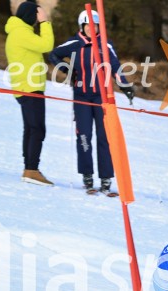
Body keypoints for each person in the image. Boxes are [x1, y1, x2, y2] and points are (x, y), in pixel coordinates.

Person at [49, 10, 134, 196]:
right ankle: (87, 177)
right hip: (82, 97)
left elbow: (116, 66)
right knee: (84, 137)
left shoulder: (106, 44)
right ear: (82, 27)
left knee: (105, 138)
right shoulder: (74, 43)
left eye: (95, 26)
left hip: (102, 98)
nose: (91, 29)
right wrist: (66, 69)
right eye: (87, 26)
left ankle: (106, 179)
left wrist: (126, 86)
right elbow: (53, 54)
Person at [5, 1, 54, 186]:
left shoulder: (19, 32)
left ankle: (29, 167)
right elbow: (47, 44)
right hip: (30, 88)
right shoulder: (21, 34)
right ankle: (31, 169)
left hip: (26, 87)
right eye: (37, 15)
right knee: (37, 129)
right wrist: (45, 23)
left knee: (31, 129)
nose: (38, 19)